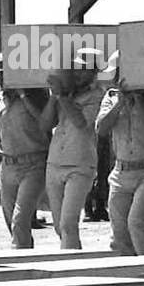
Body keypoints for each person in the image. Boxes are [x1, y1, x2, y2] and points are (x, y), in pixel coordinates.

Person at [95, 51, 144, 256]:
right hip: (121, 172)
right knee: (120, 232)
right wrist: (120, 102)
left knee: (138, 223)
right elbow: (101, 129)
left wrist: (140, 99)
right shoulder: (111, 97)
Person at [41, 49, 105, 249]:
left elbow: (81, 122)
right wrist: (55, 97)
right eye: (76, 68)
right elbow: (44, 125)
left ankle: (70, 266)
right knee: (59, 227)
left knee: (68, 224)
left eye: (84, 69)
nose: (78, 73)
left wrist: (62, 96)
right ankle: (72, 258)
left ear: (95, 72)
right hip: (55, 162)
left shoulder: (98, 95)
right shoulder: (66, 94)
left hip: (80, 165)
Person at [0, 58, 49, 248]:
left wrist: (23, 95)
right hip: (7, 164)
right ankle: (25, 252)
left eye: (4, 74)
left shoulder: (34, 96)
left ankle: (22, 257)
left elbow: (44, 122)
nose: (1, 79)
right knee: (10, 221)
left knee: (20, 219)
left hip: (33, 163)